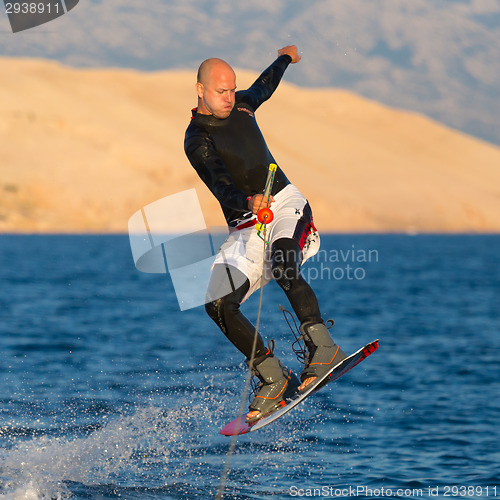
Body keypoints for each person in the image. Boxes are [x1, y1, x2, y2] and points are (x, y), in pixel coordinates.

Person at [184, 45, 346, 423]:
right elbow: (220, 185)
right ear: (200, 90)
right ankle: (273, 377)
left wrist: (285, 58)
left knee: (284, 262)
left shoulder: (242, 104)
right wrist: (246, 200)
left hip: (286, 204)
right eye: (221, 92)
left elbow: (264, 86)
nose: (230, 98)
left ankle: (323, 348)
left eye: (232, 90)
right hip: (246, 225)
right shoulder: (197, 140)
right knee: (218, 304)